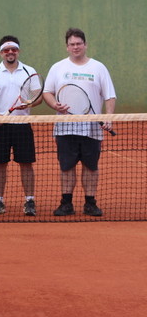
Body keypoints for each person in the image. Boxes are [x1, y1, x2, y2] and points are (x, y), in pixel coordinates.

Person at [42, 27, 116, 217]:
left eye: (78, 44)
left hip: (92, 128)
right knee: (66, 166)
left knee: (91, 166)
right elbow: (47, 92)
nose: (75, 47)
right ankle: (66, 203)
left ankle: (90, 203)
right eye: (72, 44)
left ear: (85, 45)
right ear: (67, 47)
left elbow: (109, 95)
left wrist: (108, 116)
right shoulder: (58, 67)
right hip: (65, 128)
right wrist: (55, 105)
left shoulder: (98, 67)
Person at [0, 36, 42, 217]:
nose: (10, 52)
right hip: (0, 125)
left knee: (26, 164)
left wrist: (29, 104)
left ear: (18, 51)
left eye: (13, 49)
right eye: (6, 49)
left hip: (22, 125)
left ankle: (29, 200)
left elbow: (38, 96)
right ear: (1, 52)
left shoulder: (29, 71)